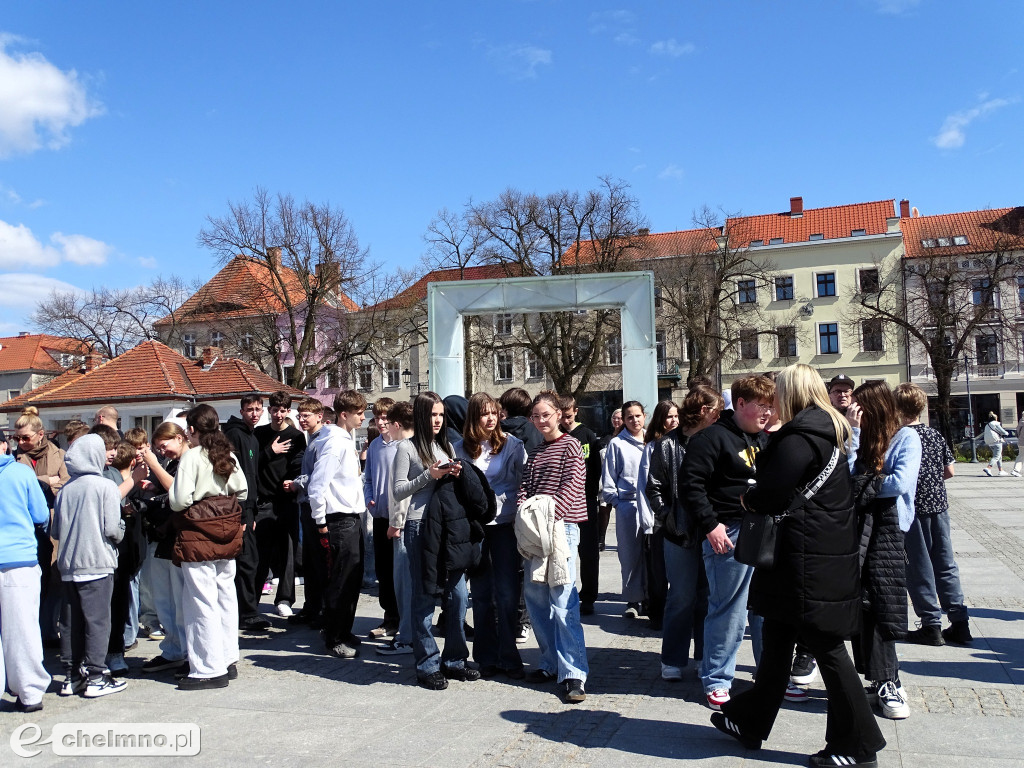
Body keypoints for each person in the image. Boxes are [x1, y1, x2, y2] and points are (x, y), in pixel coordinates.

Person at [711, 363, 886, 768]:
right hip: (812, 558)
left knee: (827, 649)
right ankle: (750, 722)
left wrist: (747, 501)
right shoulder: (828, 432)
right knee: (775, 645)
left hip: (803, 562)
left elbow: (770, 493)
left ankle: (857, 747)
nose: (773, 401)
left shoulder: (799, 437)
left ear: (792, 392)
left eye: (778, 393)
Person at [681, 375, 774, 711]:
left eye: (769, 405)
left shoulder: (765, 440)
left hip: (764, 530)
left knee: (766, 609)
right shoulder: (711, 438)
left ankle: (769, 674)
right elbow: (691, 486)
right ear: (740, 404)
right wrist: (711, 525)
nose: (766, 411)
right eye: (760, 405)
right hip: (729, 532)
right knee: (729, 610)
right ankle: (717, 679)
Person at [849, 380, 921, 721]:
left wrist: (864, 484)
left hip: (889, 529)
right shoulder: (862, 438)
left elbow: (899, 483)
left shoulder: (906, 437)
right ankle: (876, 676)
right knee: (862, 602)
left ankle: (889, 679)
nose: (855, 413)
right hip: (859, 525)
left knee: (882, 600)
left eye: (860, 408)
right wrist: (851, 431)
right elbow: (847, 476)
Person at [391, 391, 473, 690]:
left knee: (459, 595)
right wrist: (429, 474)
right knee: (424, 596)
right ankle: (427, 664)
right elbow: (399, 491)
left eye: (440, 414)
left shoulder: (446, 444)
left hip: (448, 525)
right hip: (420, 525)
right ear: (420, 416)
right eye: (431, 415)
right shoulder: (406, 448)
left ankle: (455, 660)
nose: (437, 420)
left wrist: (455, 472)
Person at [517, 391, 589, 704]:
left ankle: (574, 673)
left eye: (546, 414)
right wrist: (525, 513)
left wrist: (547, 516)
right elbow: (524, 487)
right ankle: (550, 662)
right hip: (536, 531)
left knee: (563, 601)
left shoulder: (571, 445)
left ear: (559, 414)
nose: (541, 421)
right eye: (536, 416)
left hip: (561, 530)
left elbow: (572, 486)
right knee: (535, 598)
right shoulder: (535, 452)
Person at [169, 404, 248, 690]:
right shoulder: (226, 453)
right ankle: (227, 659)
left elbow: (179, 500)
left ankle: (207, 668)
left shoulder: (192, 456)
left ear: (192, 429)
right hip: (226, 532)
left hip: (199, 534)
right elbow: (243, 489)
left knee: (200, 600)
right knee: (225, 595)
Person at [645, 386, 721, 681]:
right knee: (681, 596)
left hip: (710, 530)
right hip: (678, 533)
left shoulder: (715, 440)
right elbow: (654, 487)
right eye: (716, 410)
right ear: (704, 411)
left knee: (707, 596)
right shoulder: (667, 445)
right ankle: (673, 658)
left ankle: (703, 655)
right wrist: (668, 517)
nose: (721, 415)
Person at [455, 392, 527, 678]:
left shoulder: (512, 445)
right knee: (482, 594)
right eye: (484, 413)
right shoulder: (459, 448)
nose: (490, 418)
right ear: (474, 416)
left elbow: (522, 484)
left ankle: (509, 656)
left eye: (494, 413)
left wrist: (503, 504)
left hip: (505, 525)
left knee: (507, 594)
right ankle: (486, 656)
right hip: (476, 527)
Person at [894, 383, 972, 647]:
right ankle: (960, 622)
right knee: (945, 563)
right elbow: (950, 470)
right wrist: (931, 481)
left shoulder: (900, 437)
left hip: (913, 510)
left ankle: (931, 625)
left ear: (896, 408)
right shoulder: (934, 435)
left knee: (919, 567)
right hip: (939, 507)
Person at [52, 434, 127, 698]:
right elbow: (111, 529)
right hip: (97, 562)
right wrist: (122, 528)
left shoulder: (66, 489)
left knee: (70, 623)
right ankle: (96, 676)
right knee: (97, 622)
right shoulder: (105, 487)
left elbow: (56, 530)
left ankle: (71, 677)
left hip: (69, 564)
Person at [310, 390, 367, 659]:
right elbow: (317, 485)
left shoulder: (344, 440)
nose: (363, 418)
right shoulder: (335, 443)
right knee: (341, 580)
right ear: (344, 415)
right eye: (359, 413)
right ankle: (333, 636)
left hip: (351, 518)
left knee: (352, 579)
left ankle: (343, 629)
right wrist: (320, 521)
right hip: (339, 519)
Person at [0, 435, 52, 711]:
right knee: (23, 630)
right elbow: (41, 515)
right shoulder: (21, 473)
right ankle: (30, 691)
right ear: (4, 445)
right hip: (19, 560)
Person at [136, 422, 191, 676]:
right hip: (163, 536)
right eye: (158, 448)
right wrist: (153, 486)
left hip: (178, 536)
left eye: (164, 446)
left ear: (179, 438)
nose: (162, 451)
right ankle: (172, 648)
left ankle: (186, 651)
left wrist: (155, 467)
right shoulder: (174, 461)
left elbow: (179, 492)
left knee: (180, 601)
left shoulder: (190, 460)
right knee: (164, 598)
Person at [254, 391, 305, 618]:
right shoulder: (259, 434)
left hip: (286, 501)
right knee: (259, 553)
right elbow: (251, 463)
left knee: (287, 552)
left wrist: (293, 481)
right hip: (263, 500)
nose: (278, 414)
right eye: (275, 410)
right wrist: (269, 451)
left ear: (288, 411)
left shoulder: (296, 436)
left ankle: (284, 599)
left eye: (283, 410)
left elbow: (299, 464)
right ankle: (252, 598)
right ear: (269, 410)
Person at [223, 395, 270, 632]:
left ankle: (249, 610)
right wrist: (243, 514)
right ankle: (247, 613)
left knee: (251, 561)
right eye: (250, 409)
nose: (254, 413)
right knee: (246, 562)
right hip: (241, 510)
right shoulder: (235, 435)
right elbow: (236, 479)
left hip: (251, 508)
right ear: (241, 411)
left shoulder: (252, 436)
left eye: (258, 409)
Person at [601, 400, 647, 618]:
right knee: (630, 554)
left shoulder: (653, 441)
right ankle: (633, 599)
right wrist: (617, 502)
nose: (634, 420)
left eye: (638, 416)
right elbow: (608, 478)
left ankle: (651, 597)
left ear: (644, 416)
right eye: (630, 417)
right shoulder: (617, 444)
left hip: (652, 504)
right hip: (628, 505)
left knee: (652, 555)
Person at [636, 400, 678, 631]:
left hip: (679, 517)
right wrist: (648, 520)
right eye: (669, 417)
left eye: (676, 416)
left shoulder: (682, 442)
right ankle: (657, 613)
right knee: (658, 572)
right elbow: (644, 486)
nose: (674, 421)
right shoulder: (652, 447)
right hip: (658, 519)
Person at [559, 395, 602, 616]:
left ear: (576, 412)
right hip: (563, 503)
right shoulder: (556, 435)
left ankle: (588, 597)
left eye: (568, 416)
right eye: (562, 416)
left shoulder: (587, 435)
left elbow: (595, 468)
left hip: (585, 500)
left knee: (588, 551)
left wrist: (592, 496)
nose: (565, 421)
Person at [380, 400, 415, 657]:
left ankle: (406, 636)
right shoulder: (424, 444)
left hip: (404, 524)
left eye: (388, 423)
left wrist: (395, 523)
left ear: (396, 424)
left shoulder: (403, 447)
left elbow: (401, 492)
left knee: (404, 585)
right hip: (418, 522)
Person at [363, 397, 400, 638]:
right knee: (384, 570)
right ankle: (389, 617)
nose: (382, 422)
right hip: (380, 516)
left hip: (400, 519)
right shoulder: (375, 445)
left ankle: (404, 618)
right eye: (378, 417)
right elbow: (367, 478)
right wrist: (369, 499)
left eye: (386, 417)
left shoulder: (403, 444)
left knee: (401, 571)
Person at [982, 411, 1009, 476]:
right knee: (996, 456)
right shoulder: (995, 423)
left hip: (990, 443)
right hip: (997, 441)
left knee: (999, 456)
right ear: (995, 418)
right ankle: (988, 467)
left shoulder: (987, 425)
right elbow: (1003, 431)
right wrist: (1006, 433)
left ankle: (1001, 470)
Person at [1013, 411, 1024, 477]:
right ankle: (1016, 470)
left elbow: (1017, 433)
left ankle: (1016, 470)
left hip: (1021, 442)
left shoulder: (1020, 422)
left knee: (1020, 456)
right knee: (1021, 456)